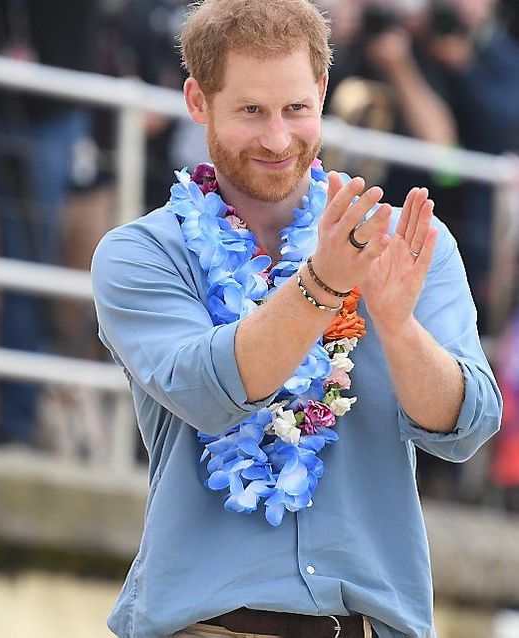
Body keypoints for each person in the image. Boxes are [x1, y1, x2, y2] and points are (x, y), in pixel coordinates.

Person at [90, 1, 502, 636]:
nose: (279, 140)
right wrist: (323, 286)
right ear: (199, 102)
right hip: (206, 625)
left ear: (324, 93)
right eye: (251, 111)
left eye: (296, 110)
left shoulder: (407, 244)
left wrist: (396, 326)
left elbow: (467, 425)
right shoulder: (141, 254)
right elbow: (209, 392)